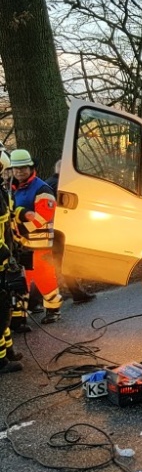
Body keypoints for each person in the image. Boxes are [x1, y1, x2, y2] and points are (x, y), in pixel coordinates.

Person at [9, 149, 63, 324]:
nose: (19, 171)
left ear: (31, 167)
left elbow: (43, 217)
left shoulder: (42, 188)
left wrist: (20, 229)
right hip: (21, 245)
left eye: (23, 168)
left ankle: (53, 310)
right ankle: (21, 317)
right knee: (23, 281)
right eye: (16, 168)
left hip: (40, 246)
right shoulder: (12, 189)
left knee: (46, 279)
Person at [44, 159, 96, 305]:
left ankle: (76, 293)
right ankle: (75, 293)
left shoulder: (48, 183)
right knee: (62, 264)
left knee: (56, 264)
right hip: (58, 231)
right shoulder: (60, 185)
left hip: (50, 231)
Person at [0, 148, 23, 372]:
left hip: (5, 260)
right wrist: (7, 254)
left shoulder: (1, 191)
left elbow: (7, 224)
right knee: (0, 312)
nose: (7, 176)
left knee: (5, 308)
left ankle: (8, 351)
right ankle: (1, 362)